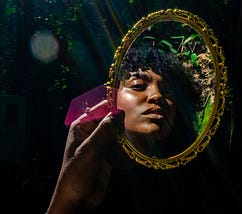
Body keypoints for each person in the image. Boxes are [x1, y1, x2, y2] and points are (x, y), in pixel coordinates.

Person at [46, 44, 200, 213]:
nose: (157, 96)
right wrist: (68, 199)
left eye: (168, 92)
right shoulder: (86, 169)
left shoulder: (194, 182)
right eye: (138, 85)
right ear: (111, 98)